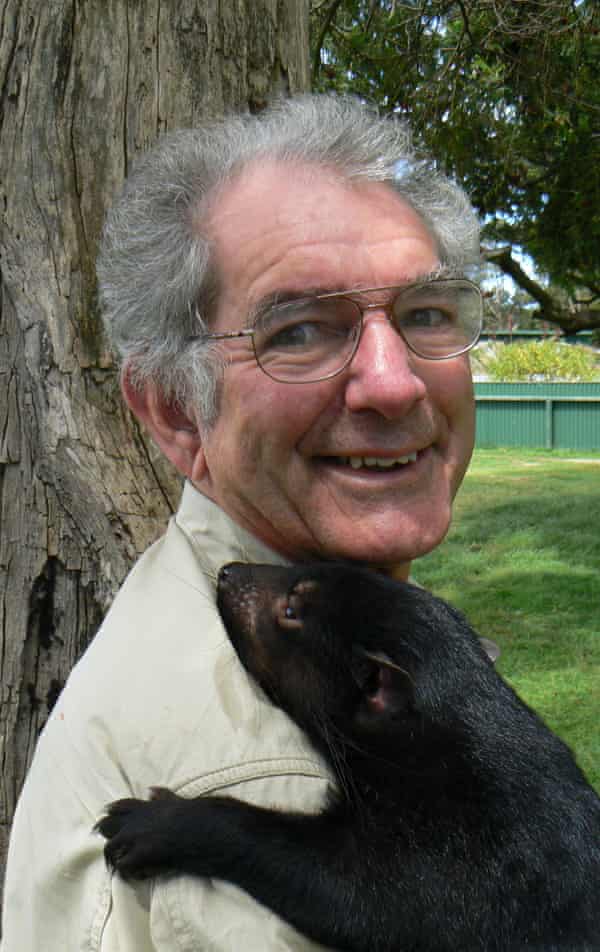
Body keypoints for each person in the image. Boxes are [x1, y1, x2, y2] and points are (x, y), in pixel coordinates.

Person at [1, 95, 482, 950]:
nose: (395, 381)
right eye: (299, 330)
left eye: (426, 315)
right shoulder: (276, 791)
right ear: (175, 414)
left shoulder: (307, 611)